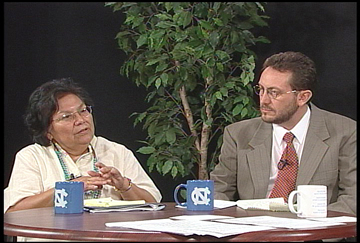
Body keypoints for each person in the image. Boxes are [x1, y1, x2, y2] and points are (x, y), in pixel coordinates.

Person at [210, 51, 356, 216]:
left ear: (302, 97)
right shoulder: (238, 134)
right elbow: (218, 190)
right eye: (261, 89)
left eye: (274, 93)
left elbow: (352, 199)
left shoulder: (345, 133)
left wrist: (306, 230)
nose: (263, 100)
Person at [4, 78, 162, 214]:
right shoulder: (32, 157)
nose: (81, 120)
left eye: (83, 110)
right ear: (47, 131)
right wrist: (69, 189)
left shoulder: (116, 151)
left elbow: (153, 205)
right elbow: (14, 211)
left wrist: (124, 186)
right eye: (67, 117)